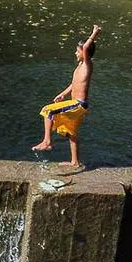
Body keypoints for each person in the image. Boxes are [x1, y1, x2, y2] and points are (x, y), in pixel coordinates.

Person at [32, 24, 101, 168]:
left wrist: (94, 34)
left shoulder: (87, 65)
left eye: (77, 51)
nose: (75, 53)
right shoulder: (80, 67)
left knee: (48, 111)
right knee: (71, 132)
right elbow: (73, 84)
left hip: (78, 104)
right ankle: (75, 161)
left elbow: (87, 47)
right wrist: (62, 94)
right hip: (77, 104)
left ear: (84, 52)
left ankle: (47, 142)